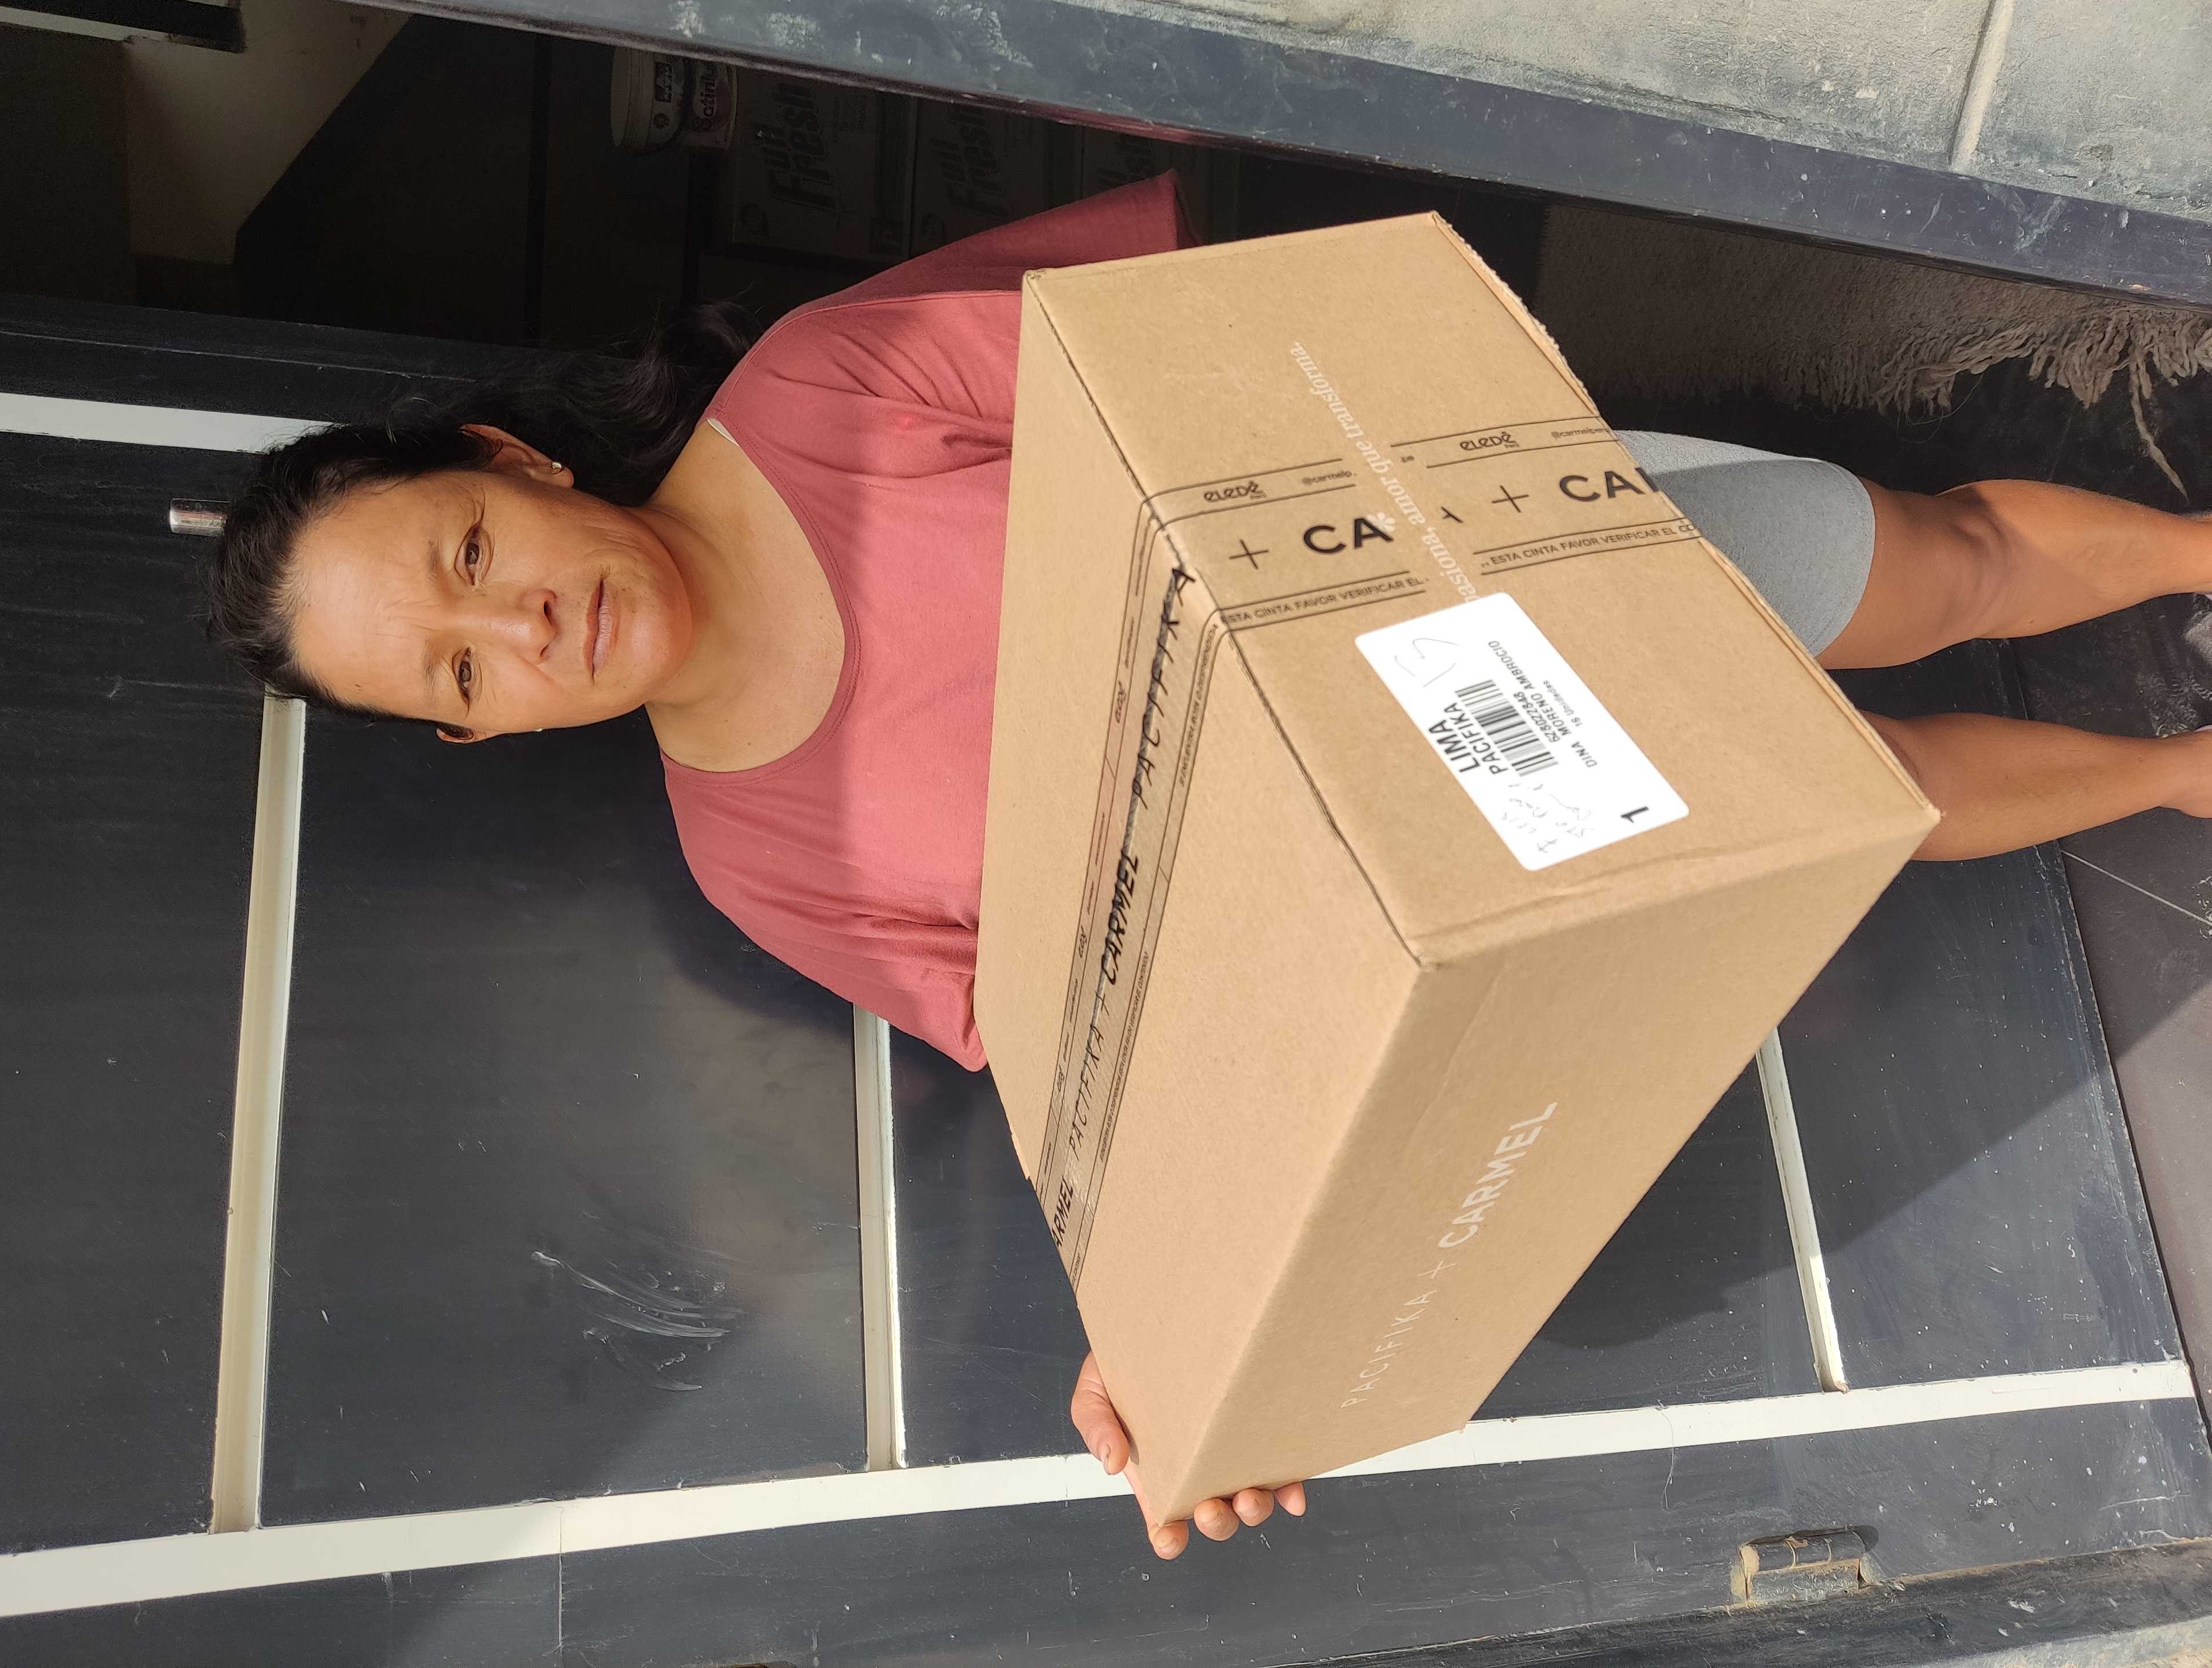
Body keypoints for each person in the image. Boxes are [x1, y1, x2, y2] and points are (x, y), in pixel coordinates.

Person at [205, 174, 2212, 1559]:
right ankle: (2186, 775)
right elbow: (1072, 1059)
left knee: (1929, 563)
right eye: (458, 670)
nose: (523, 627)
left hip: (1474, 565)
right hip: (1451, 838)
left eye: (471, 553)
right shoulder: (759, 868)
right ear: (477, 734)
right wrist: (1168, 1337)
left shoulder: (821, 390)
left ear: (516, 465)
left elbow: (1212, 345)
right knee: (1867, 798)